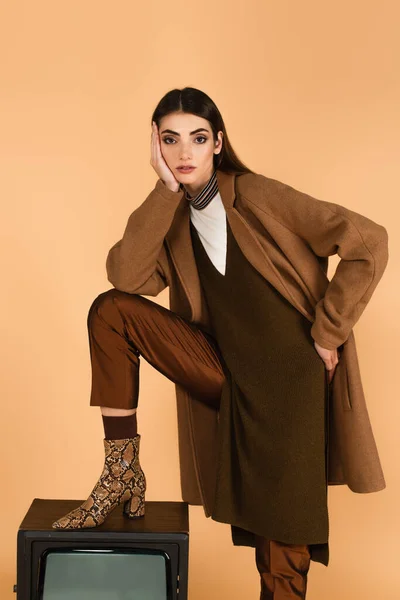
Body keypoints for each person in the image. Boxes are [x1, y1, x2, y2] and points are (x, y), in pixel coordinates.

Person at [51, 87, 388, 599]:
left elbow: (368, 241)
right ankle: (122, 472)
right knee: (111, 311)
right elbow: (125, 275)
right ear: (157, 149)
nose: (185, 153)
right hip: (225, 369)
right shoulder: (175, 219)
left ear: (218, 143)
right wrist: (164, 190)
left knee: (281, 543)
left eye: (198, 138)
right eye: (170, 140)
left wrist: (328, 333)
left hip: (289, 382)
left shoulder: (256, 195)